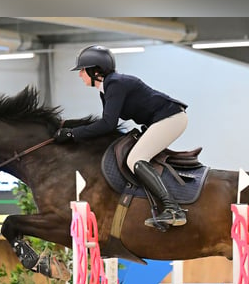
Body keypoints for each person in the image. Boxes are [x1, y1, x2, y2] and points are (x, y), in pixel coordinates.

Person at [53, 45, 189, 229]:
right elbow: (105, 124)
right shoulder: (108, 87)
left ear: (95, 70)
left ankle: (173, 209)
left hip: (171, 119)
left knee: (136, 159)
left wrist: (72, 133)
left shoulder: (114, 84)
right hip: (164, 119)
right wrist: (72, 130)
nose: (80, 75)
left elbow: (108, 124)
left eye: (82, 70)